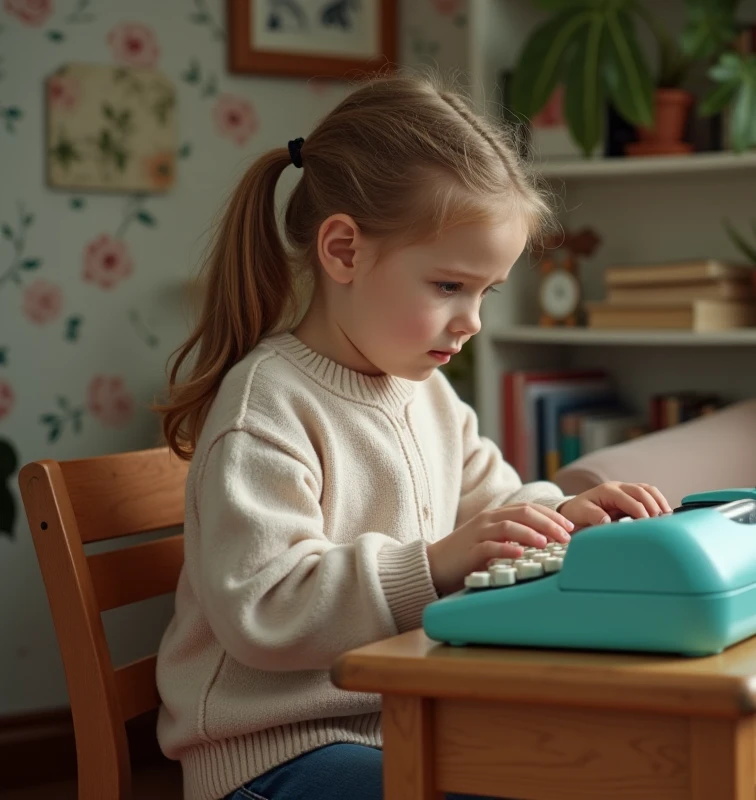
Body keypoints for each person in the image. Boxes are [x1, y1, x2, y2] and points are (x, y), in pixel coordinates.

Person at [152, 70, 671, 800]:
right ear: (343, 251)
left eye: (485, 292)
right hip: (275, 754)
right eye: (449, 286)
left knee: (608, 766)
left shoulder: (425, 392)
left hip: (403, 727)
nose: (473, 322)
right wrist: (430, 565)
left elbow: (492, 504)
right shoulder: (266, 405)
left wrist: (563, 517)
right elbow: (264, 606)